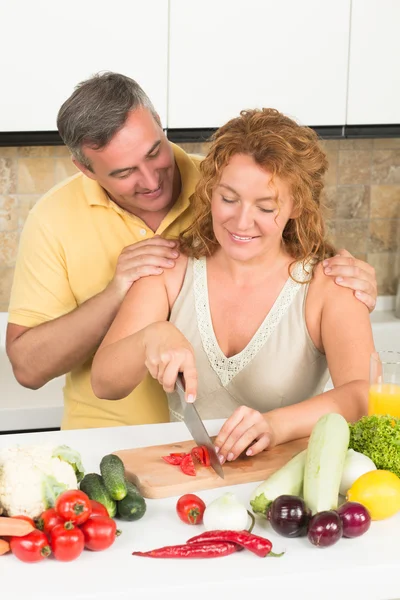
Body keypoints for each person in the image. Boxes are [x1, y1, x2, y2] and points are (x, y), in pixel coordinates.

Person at [6, 73, 376, 431]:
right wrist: (128, 307)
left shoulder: (226, 173)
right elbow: (50, 370)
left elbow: (362, 393)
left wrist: (354, 285)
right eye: (228, 199)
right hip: (113, 439)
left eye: (154, 153)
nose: (152, 181)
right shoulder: (63, 222)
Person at [91, 108, 374, 462]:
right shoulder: (169, 268)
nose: (241, 221)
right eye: (228, 198)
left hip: (287, 489)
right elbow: (105, 383)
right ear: (210, 191)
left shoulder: (329, 284)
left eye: (266, 207)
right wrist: (151, 337)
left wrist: (276, 426)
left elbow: (364, 395)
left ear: (297, 206)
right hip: (185, 481)